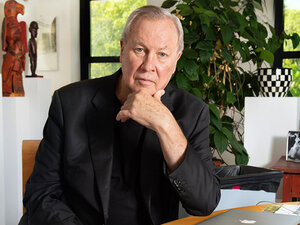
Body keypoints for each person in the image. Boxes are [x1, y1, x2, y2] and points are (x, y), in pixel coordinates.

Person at [19, 5, 220, 225]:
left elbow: (204, 202)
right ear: (123, 49)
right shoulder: (69, 103)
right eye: (140, 50)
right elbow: (40, 194)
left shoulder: (192, 112)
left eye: (162, 54)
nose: (148, 66)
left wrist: (165, 124)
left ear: (176, 61)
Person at [2, 0, 27, 96]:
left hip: (17, 72)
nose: (18, 29)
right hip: (11, 73)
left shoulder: (19, 46)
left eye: (18, 27)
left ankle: (17, 91)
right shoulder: (12, 50)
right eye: (13, 25)